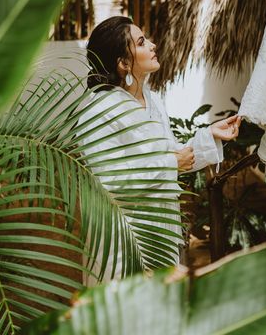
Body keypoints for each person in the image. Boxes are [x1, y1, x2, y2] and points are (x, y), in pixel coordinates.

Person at [77, 16, 241, 283]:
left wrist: (210, 135)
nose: (153, 45)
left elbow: (172, 153)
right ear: (123, 63)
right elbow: (105, 180)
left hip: (159, 224)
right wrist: (168, 165)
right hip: (123, 235)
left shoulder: (151, 100)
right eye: (142, 42)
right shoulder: (99, 111)